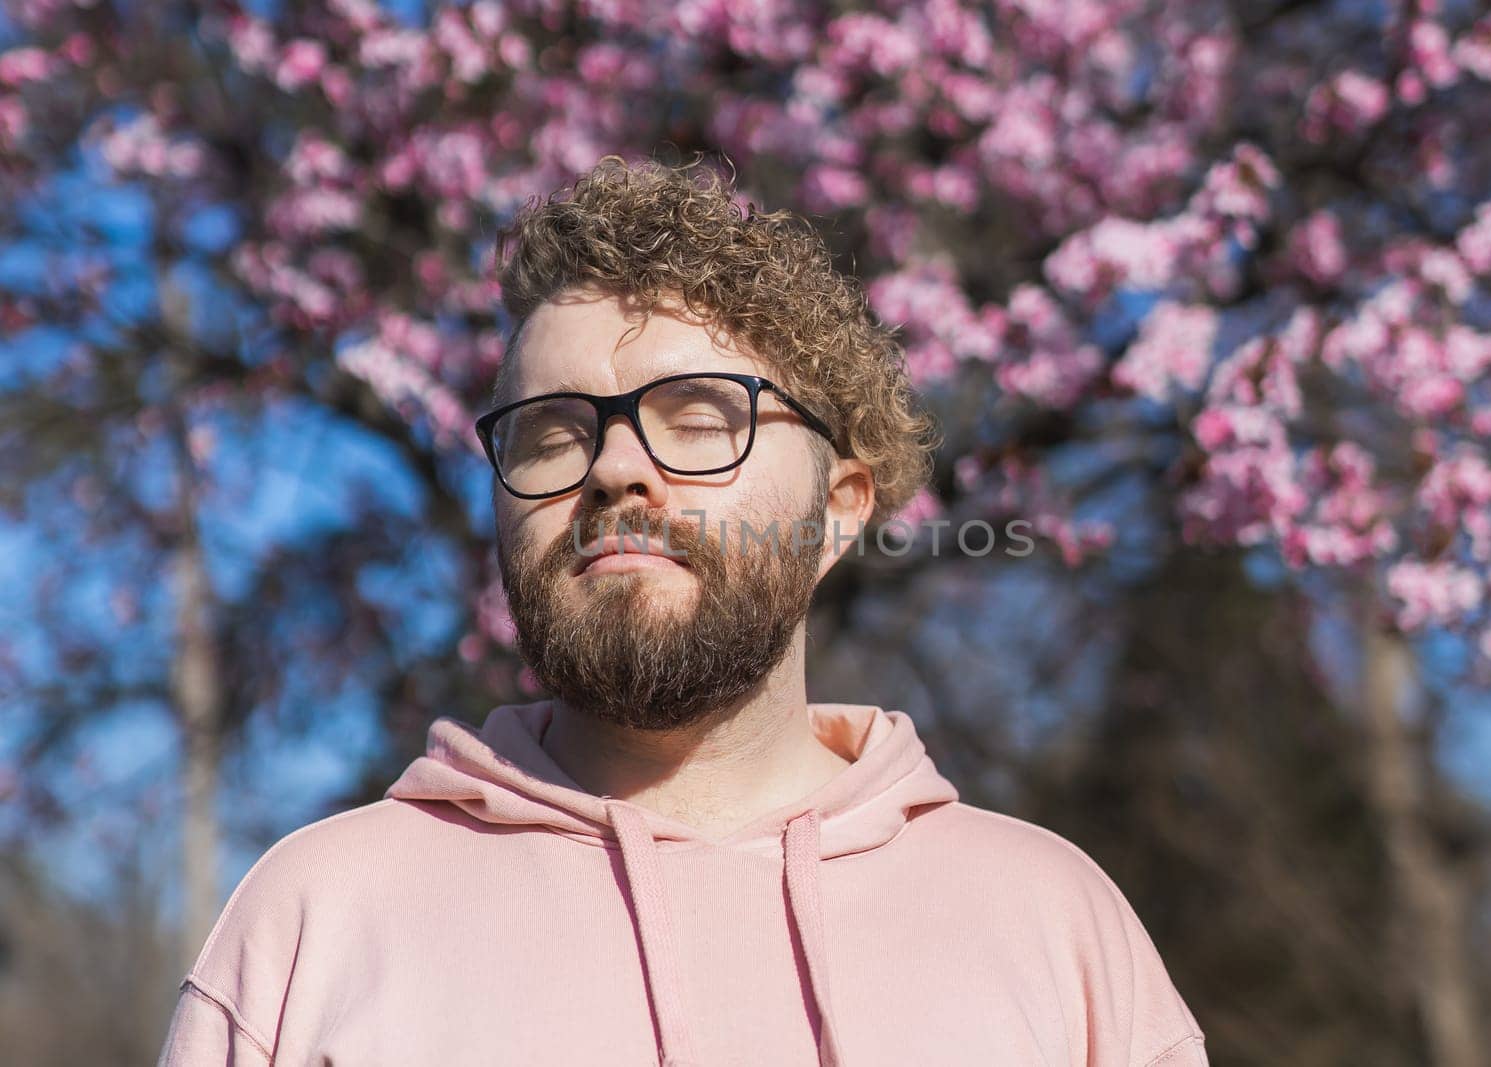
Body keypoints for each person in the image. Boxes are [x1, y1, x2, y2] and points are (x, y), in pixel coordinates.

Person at [158, 155, 1206, 1067]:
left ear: (838, 510)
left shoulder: (1057, 931)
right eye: (552, 432)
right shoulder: (315, 922)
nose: (616, 469)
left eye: (701, 418)